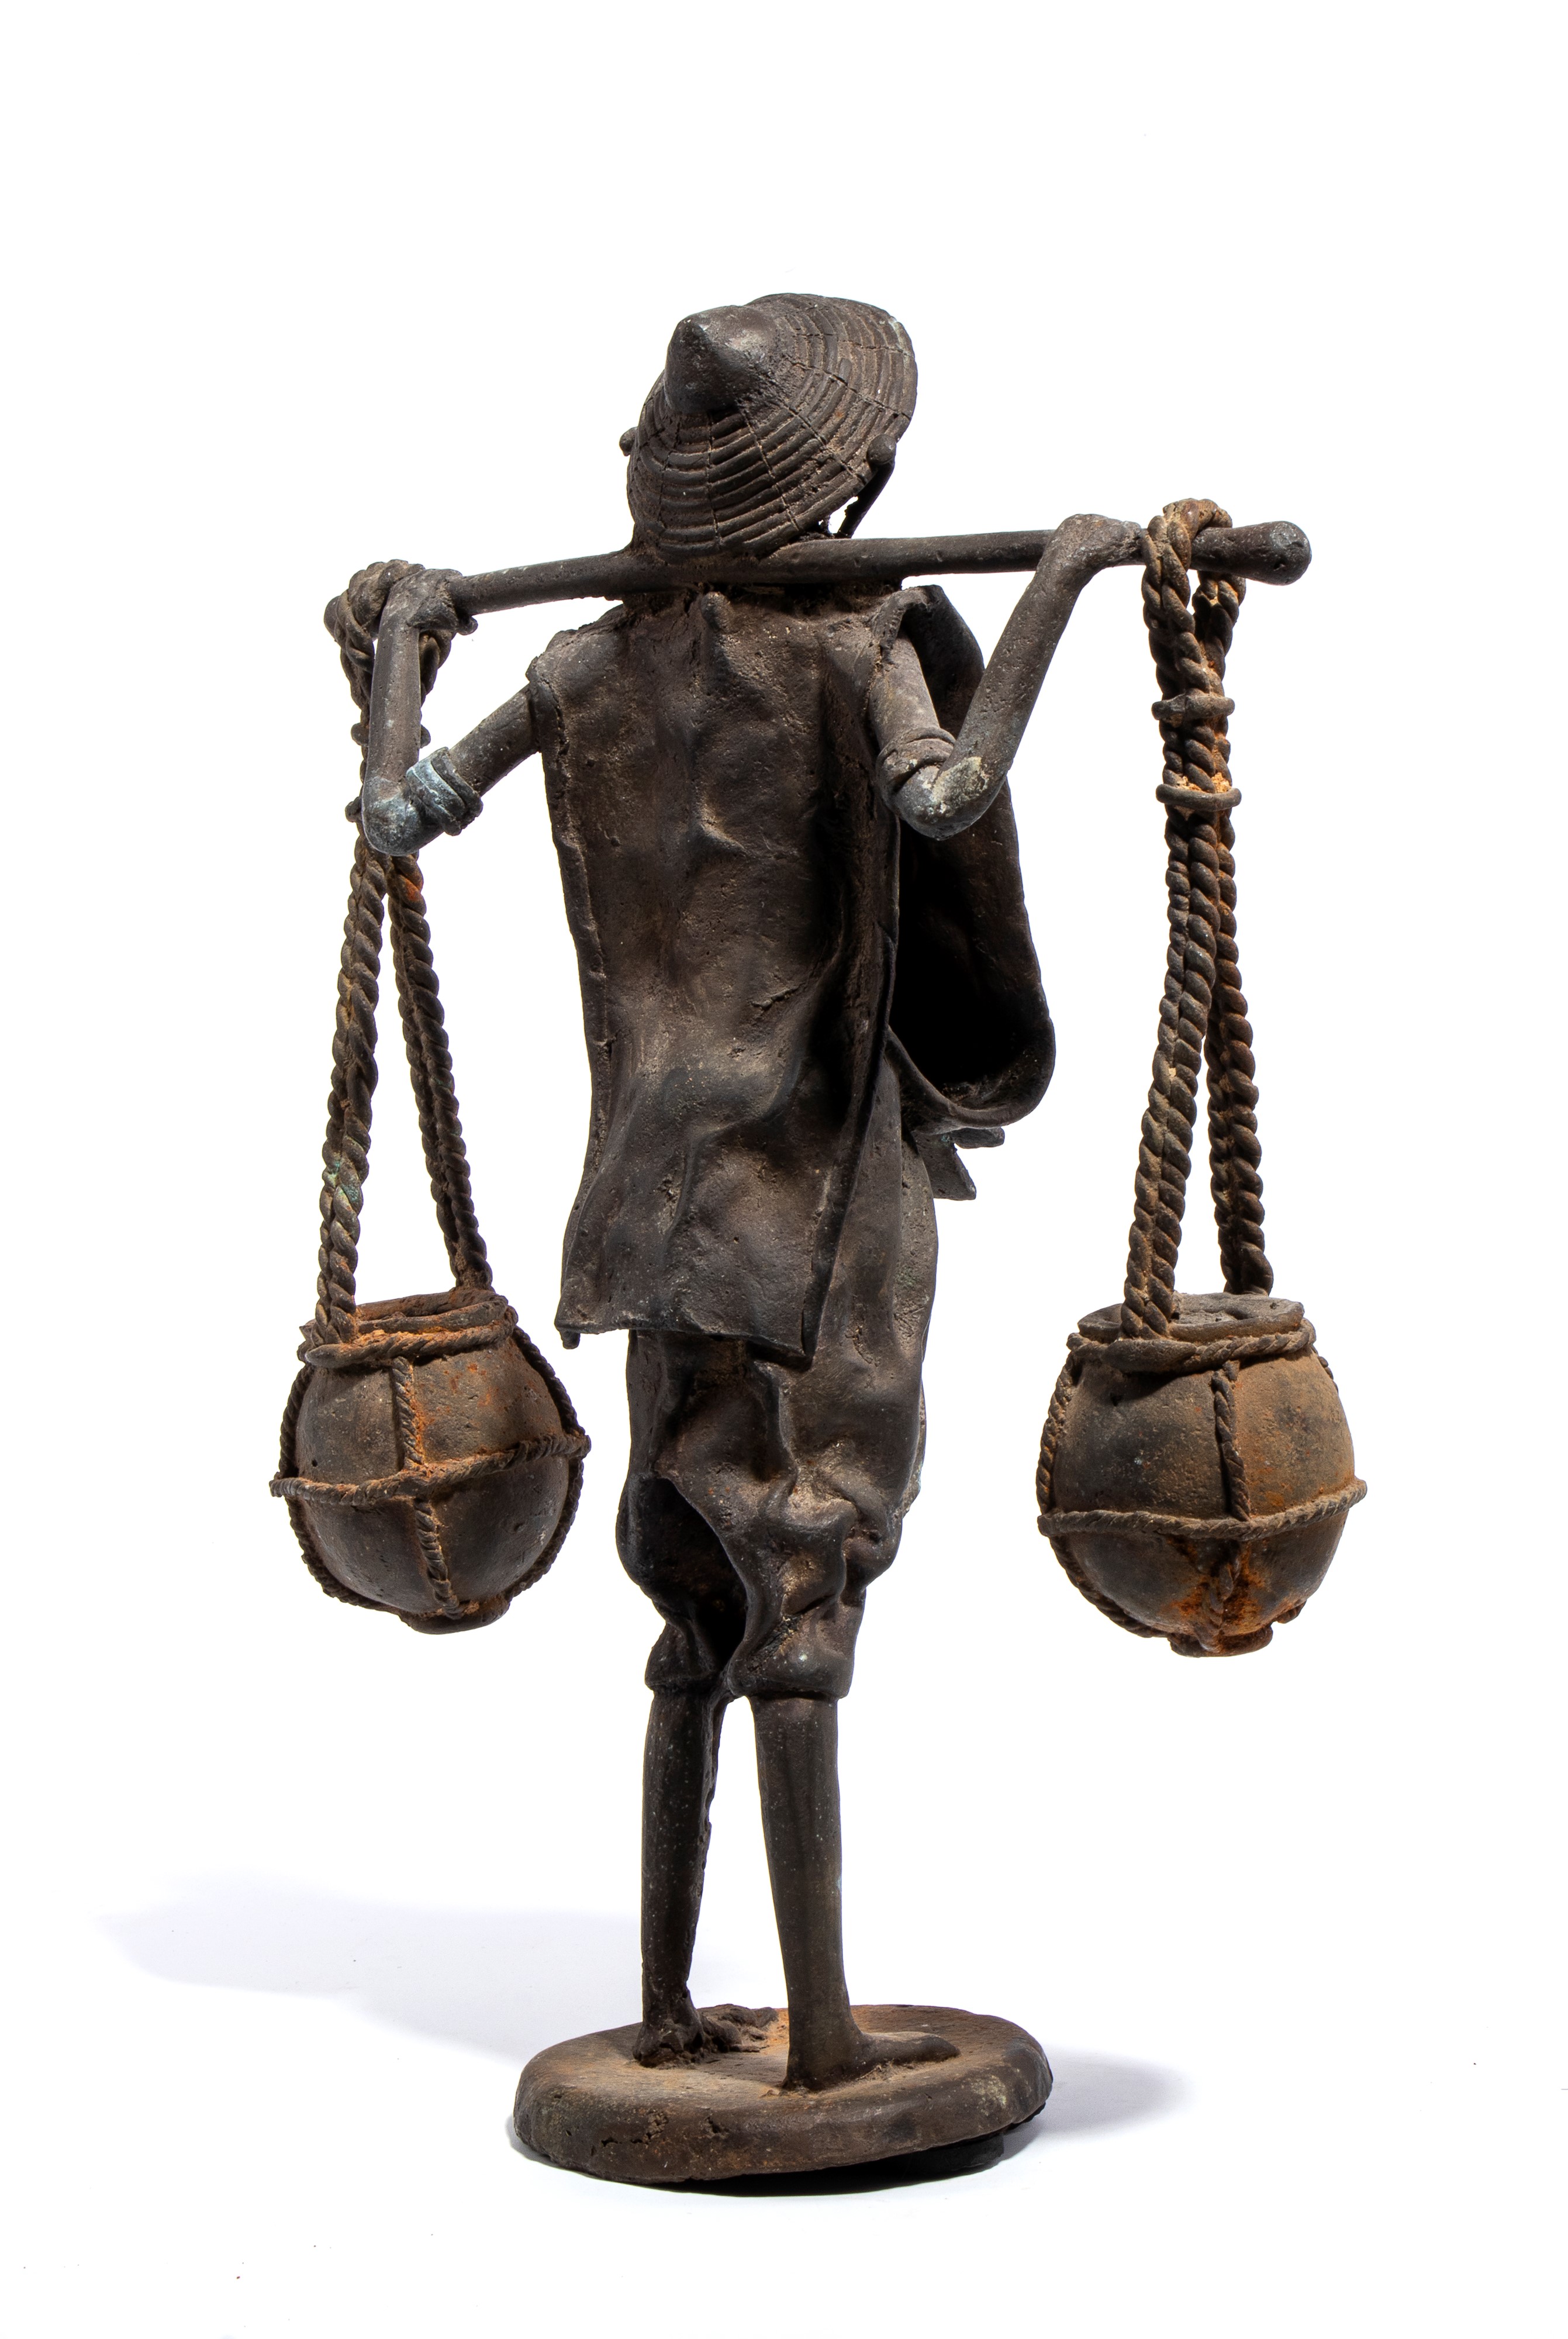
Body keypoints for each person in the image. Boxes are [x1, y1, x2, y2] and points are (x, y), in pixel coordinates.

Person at [362, 294, 1130, 2088]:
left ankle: (663, 2005)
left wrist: (403, 644)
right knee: (804, 1581)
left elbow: (398, 813)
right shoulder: (855, 649)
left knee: (692, 1607)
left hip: (645, 1197)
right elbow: (946, 795)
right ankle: (823, 2040)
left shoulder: (578, 671)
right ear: (853, 480)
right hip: (812, 1181)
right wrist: (1061, 585)